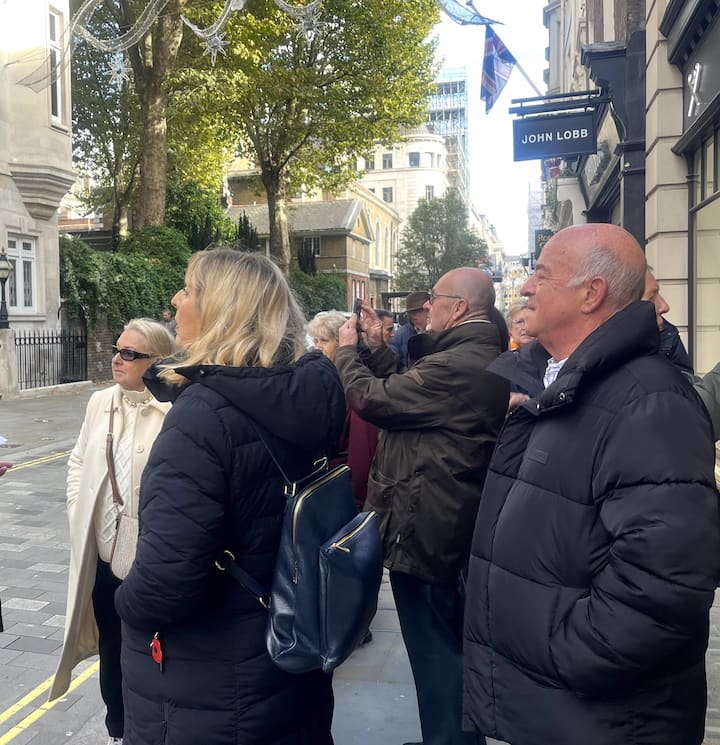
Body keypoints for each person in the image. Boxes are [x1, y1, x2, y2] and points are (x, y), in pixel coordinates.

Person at [463, 224, 720, 745]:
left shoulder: (651, 402)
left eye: (542, 275)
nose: (526, 286)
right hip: (558, 708)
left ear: (591, 294)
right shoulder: (561, 383)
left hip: (603, 718)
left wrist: (563, 654)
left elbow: (664, 586)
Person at [114, 250, 346, 745]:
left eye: (188, 290)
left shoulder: (202, 418)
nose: (176, 300)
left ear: (221, 310)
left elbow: (165, 581)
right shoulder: (305, 393)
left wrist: (124, 602)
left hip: (214, 682)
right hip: (291, 651)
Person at [335, 268, 509, 745]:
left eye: (435, 298)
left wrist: (347, 352)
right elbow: (412, 394)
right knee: (438, 649)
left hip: (428, 524)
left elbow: (374, 399)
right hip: (438, 516)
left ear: (460, 307)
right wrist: (377, 349)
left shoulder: (460, 363)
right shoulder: (468, 355)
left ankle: (450, 739)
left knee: (436, 654)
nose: (427, 307)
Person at [49, 319, 176, 745]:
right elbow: (77, 461)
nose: (117, 359)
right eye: (117, 349)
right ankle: (117, 730)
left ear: (157, 361)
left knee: (154, 651)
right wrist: (77, 511)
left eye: (130, 354)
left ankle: (155, 729)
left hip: (149, 561)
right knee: (112, 648)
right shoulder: (99, 402)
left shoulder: (174, 411)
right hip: (104, 556)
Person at [308, 310, 379, 510]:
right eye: (315, 340)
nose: (317, 347)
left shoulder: (355, 386)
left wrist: (355, 504)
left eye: (324, 340)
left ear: (342, 343)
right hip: (321, 486)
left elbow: (362, 454)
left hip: (341, 492)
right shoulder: (323, 379)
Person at [389, 291, 430, 369]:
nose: (413, 315)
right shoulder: (400, 334)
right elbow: (392, 361)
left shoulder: (439, 332)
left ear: (429, 310)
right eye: (410, 312)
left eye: (418, 311)